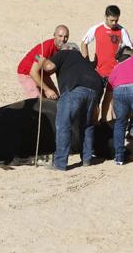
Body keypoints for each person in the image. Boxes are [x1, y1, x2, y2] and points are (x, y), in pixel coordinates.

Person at [30, 42, 103, 171]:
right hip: (95, 87)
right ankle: (87, 159)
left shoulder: (65, 53)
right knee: (87, 125)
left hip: (75, 89)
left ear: (68, 48)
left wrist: (38, 58)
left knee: (64, 124)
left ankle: (60, 163)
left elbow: (48, 67)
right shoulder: (82, 60)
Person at [81, 5, 133, 123]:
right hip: (98, 72)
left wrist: (123, 65)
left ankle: (103, 121)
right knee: (95, 99)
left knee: (109, 99)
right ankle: (93, 123)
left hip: (114, 73)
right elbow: (84, 43)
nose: (114, 23)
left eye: (116, 20)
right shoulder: (96, 28)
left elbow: (131, 49)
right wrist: (87, 62)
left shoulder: (122, 30)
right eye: (112, 20)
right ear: (105, 16)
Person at [17, 25, 69, 99]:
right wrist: (47, 90)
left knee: (56, 98)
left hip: (43, 73)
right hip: (27, 72)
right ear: (54, 35)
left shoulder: (64, 50)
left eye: (65, 37)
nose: (63, 39)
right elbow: (33, 71)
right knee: (37, 100)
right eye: (60, 36)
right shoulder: (46, 48)